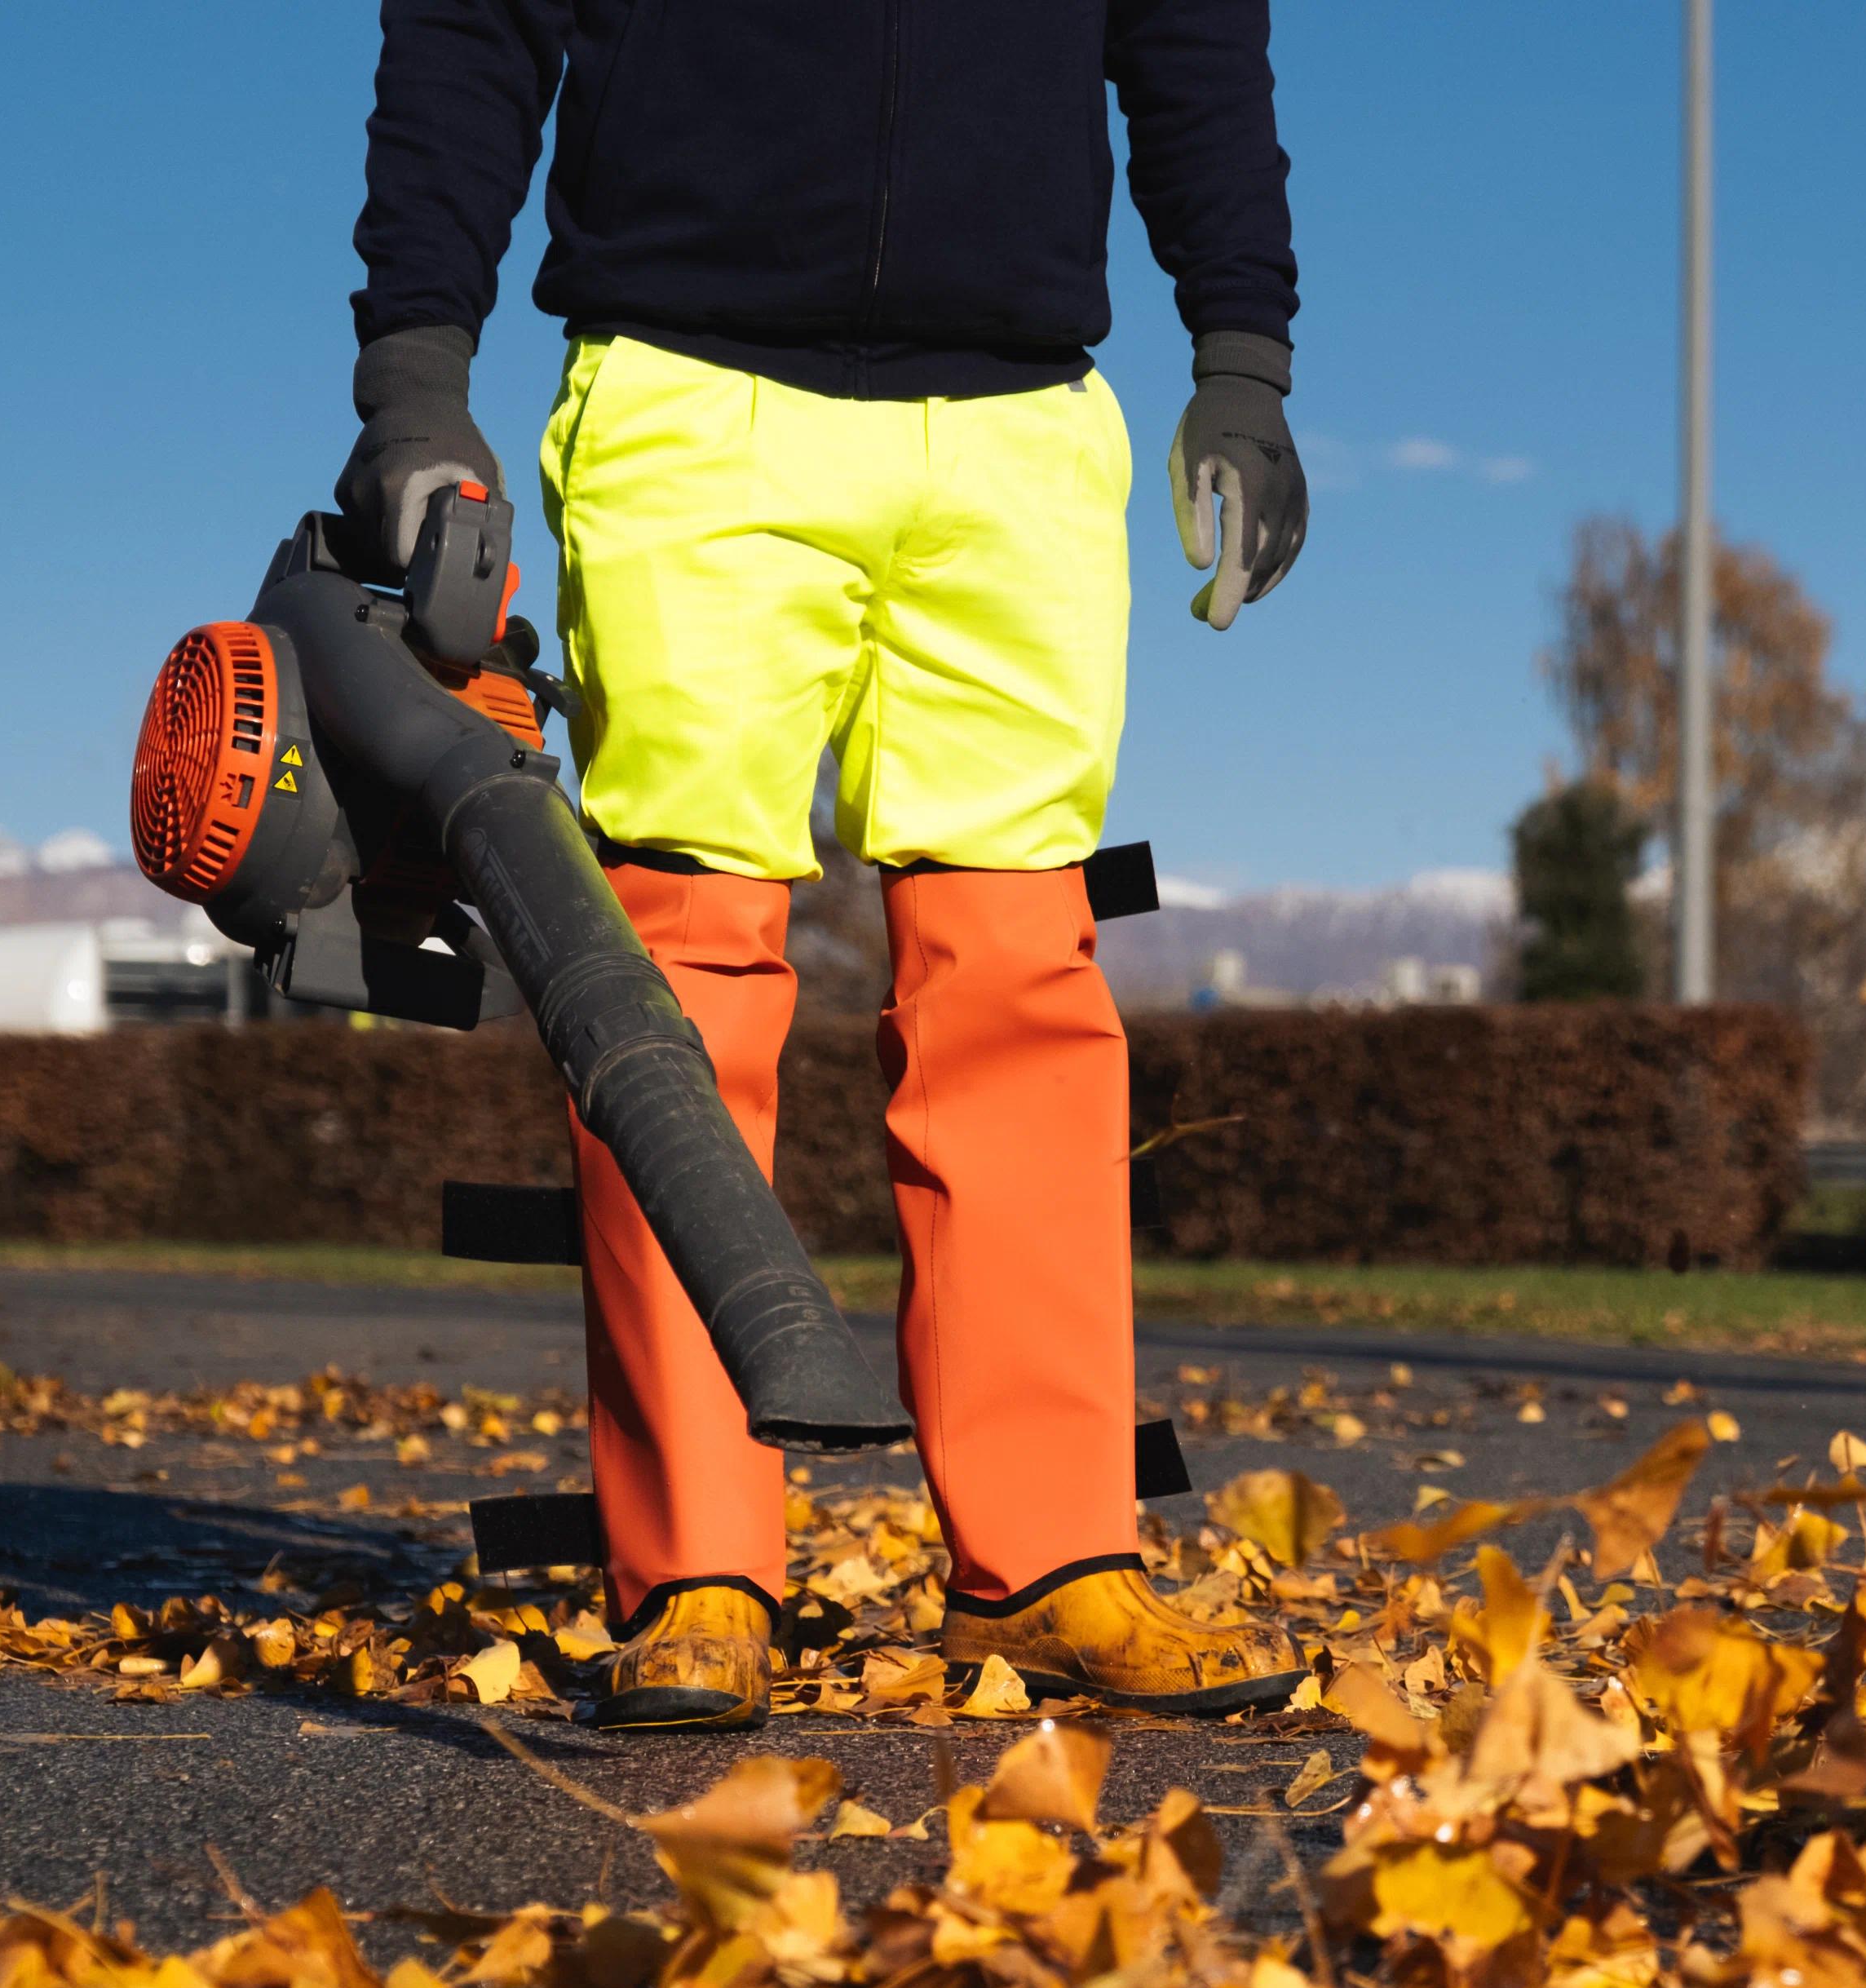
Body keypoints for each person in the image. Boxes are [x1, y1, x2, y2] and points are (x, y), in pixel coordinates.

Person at [338, 0, 1311, 1729]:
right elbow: (472, 25)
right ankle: (697, 1571)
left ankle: (1050, 1559)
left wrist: (1241, 359)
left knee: (1020, 977)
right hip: (691, 399)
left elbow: (1190, 37)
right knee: (673, 984)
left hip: (1020, 427)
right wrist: (417, 377)